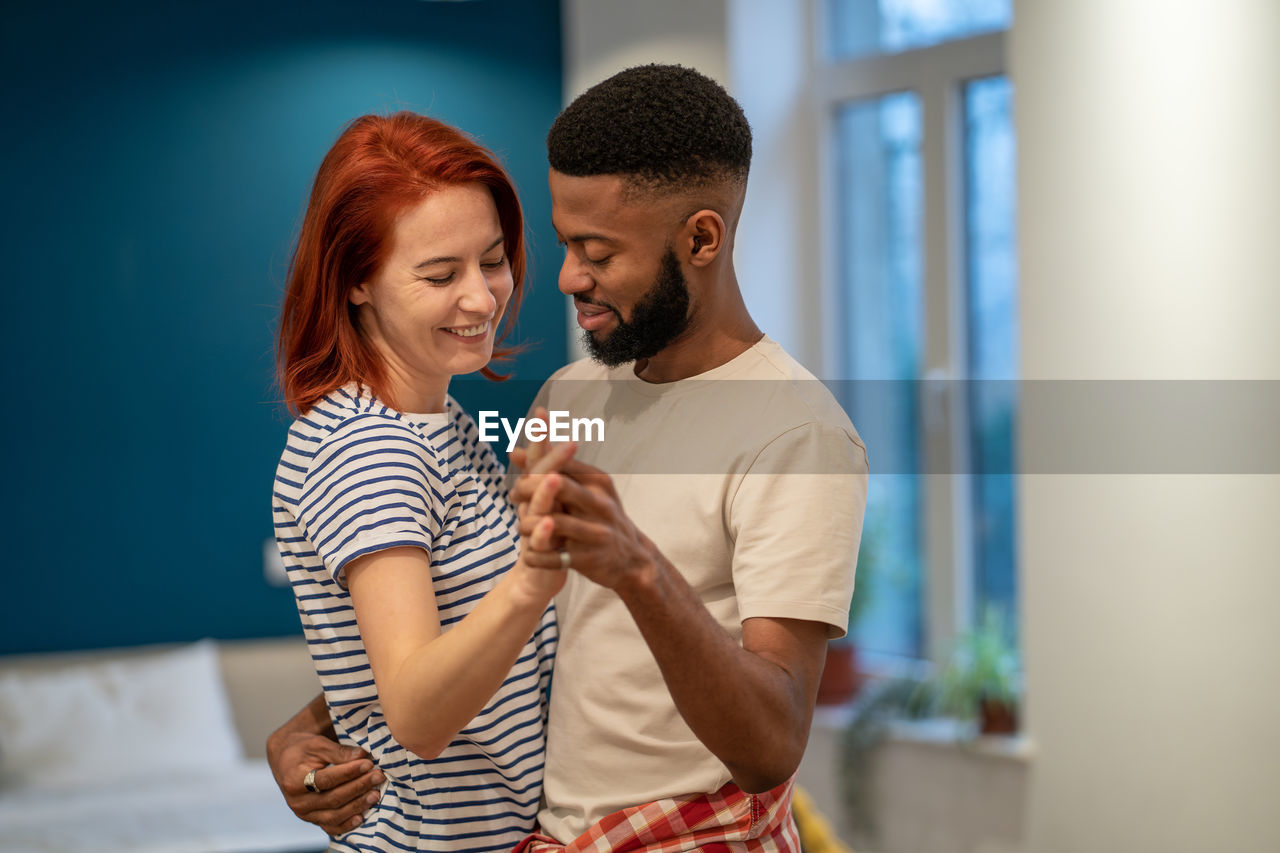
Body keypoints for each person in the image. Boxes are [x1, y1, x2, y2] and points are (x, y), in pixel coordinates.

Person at [269, 66, 868, 851]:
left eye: (597, 250)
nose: (564, 278)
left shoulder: (799, 434)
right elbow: (466, 621)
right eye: (561, 243)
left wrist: (635, 567)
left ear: (700, 238)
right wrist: (309, 725)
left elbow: (770, 745)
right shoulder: (570, 399)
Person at [270, 111, 576, 853]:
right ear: (355, 283)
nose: (481, 298)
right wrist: (536, 577)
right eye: (440, 275)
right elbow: (416, 711)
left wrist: (311, 722)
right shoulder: (368, 450)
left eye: (493, 259)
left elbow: (412, 654)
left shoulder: (438, 420)